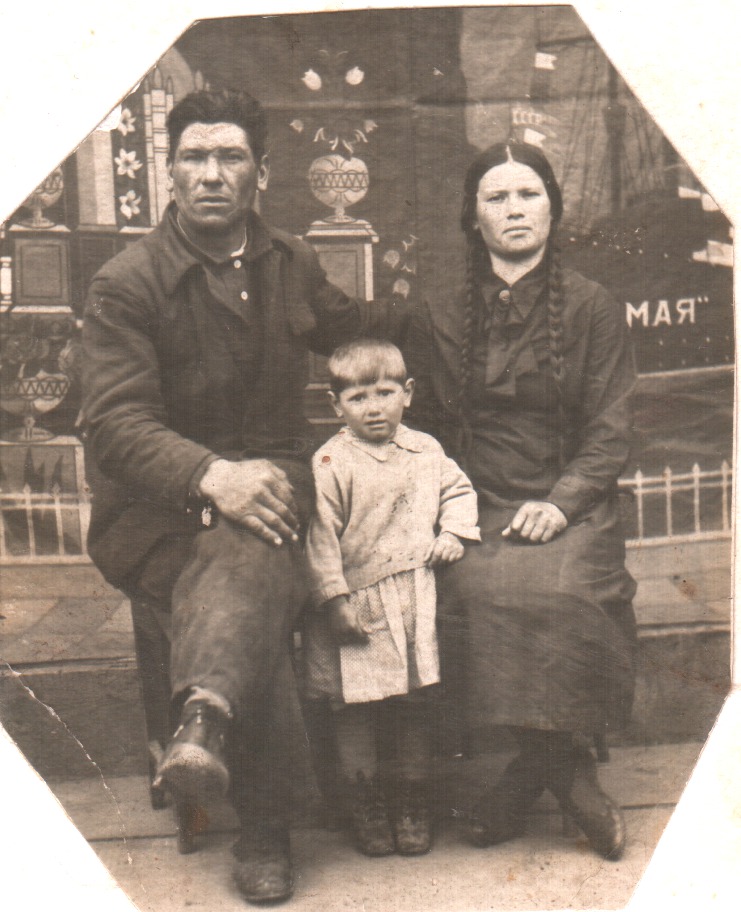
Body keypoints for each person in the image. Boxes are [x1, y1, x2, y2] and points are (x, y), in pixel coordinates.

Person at [81, 89, 406, 904]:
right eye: (194, 157)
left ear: (259, 173)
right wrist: (211, 476)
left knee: (255, 539)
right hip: (158, 518)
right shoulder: (126, 284)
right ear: (169, 172)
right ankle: (262, 822)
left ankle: (205, 722)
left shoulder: (288, 261)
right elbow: (114, 423)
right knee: (253, 561)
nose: (211, 174)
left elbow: (351, 326)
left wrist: (439, 319)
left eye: (229, 157)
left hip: (268, 488)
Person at [405, 141, 637, 860]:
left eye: (528, 194)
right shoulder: (439, 310)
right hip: (473, 501)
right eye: (496, 197)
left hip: (571, 503)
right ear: (472, 217)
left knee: (560, 590)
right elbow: (421, 427)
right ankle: (565, 773)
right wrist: (448, 508)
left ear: (552, 210)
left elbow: (610, 429)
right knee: (467, 590)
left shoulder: (594, 307)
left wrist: (562, 503)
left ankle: (523, 781)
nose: (514, 210)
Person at [301, 338, 480, 858]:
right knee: (353, 708)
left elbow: (458, 491)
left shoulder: (426, 450)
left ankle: (411, 800)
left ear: (408, 393)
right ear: (336, 405)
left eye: (384, 393)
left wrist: (454, 531)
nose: (373, 408)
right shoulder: (330, 460)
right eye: (357, 398)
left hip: (411, 597)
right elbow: (319, 537)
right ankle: (366, 802)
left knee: (412, 703)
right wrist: (334, 600)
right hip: (355, 602)